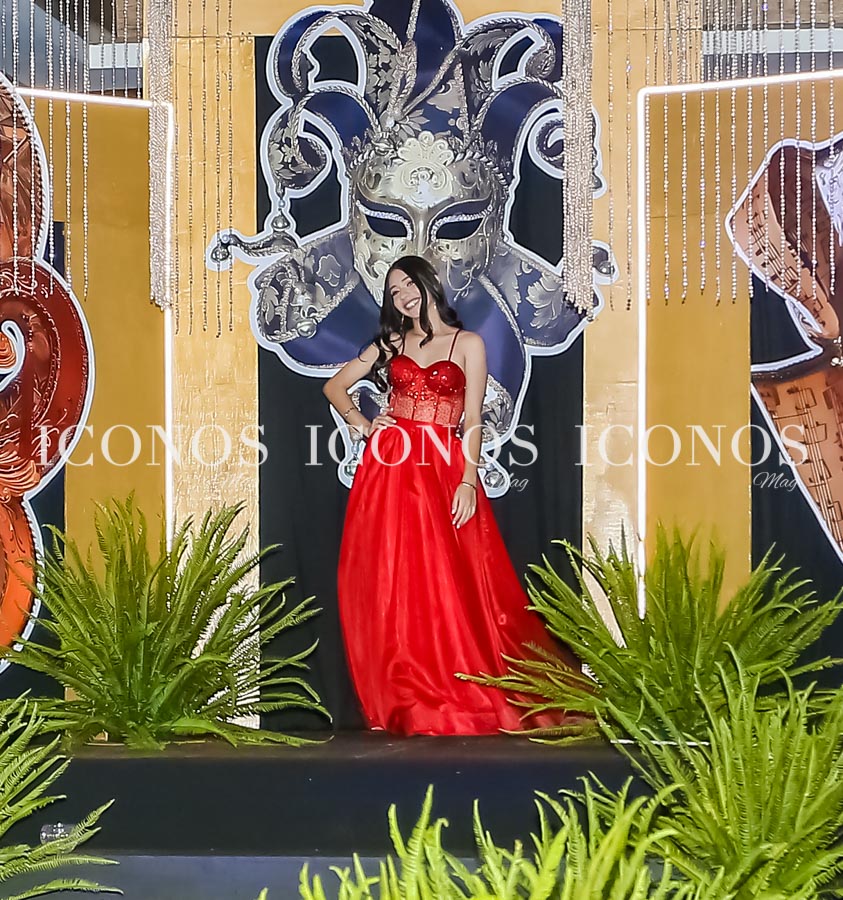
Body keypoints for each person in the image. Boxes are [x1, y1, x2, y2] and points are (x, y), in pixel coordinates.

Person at [323, 255, 575, 735]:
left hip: (442, 465)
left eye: (408, 285)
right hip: (390, 466)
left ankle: (455, 680)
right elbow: (334, 387)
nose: (403, 296)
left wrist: (467, 480)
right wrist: (365, 425)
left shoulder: (468, 343)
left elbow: (473, 418)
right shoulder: (390, 343)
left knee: (451, 578)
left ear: (428, 283)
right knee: (394, 578)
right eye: (394, 292)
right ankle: (402, 691)